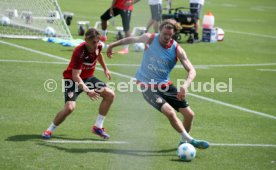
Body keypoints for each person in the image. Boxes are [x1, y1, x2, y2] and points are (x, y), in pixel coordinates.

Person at [106, 19, 209, 149]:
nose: (167, 37)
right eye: (164, 34)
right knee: (170, 112)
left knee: (189, 115)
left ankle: (184, 142)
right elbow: (131, 39)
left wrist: (185, 85)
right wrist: (112, 45)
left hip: (165, 86)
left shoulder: (177, 49)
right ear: (159, 31)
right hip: (147, 87)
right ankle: (190, 140)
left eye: (170, 35)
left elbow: (192, 70)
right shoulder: (149, 38)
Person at [42, 28, 115, 140]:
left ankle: (98, 127)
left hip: (89, 78)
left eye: (97, 41)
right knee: (70, 108)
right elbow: (76, 76)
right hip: (72, 80)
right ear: (86, 40)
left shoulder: (99, 46)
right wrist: (88, 91)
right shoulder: (79, 51)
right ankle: (49, 129)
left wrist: (106, 69)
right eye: (93, 42)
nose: (96, 44)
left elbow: (99, 54)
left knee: (110, 94)